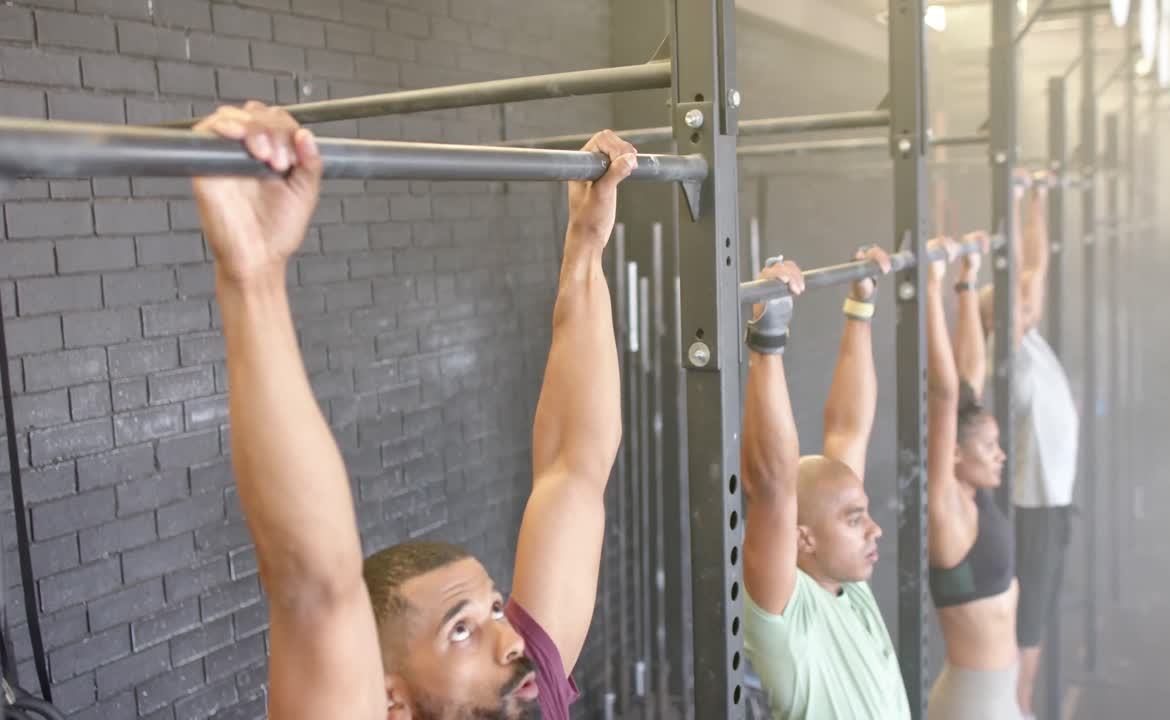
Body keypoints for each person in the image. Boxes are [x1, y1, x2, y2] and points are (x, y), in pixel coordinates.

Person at [191, 101, 637, 720]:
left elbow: (575, 465)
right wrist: (252, 276)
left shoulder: (527, 686)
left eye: (495, 610)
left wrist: (586, 245)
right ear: (388, 701)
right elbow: (314, 590)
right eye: (461, 629)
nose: (513, 641)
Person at [740, 250, 911, 720]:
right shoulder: (786, 615)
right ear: (803, 537)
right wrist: (767, 340)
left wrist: (861, 308)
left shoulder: (847, 583)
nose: (875, 531)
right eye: (855, 520)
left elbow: (848, 431)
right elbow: (772, 487)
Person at [979, 177, 1079, 717]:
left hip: (1051, 509)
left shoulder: (1028, 336)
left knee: (1033, 639)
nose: (1029, 301)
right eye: (1017, 302)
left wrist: (1037, 199)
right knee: (1024, 649)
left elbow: (1035, 272)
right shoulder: (1006, 350)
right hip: (1031, 513)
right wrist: (1010, 196)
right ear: (1001, 318)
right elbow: (1020, 273)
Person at [924, 233, 1021, 720]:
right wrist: (929, 288)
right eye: (989, 448)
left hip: (1001, 696)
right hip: (971, 707)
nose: (1000, 456)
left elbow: (968, 374)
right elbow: (944, 394)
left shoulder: (975, 495)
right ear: (954, 453)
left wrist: (966, 285)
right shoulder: (948, 509)